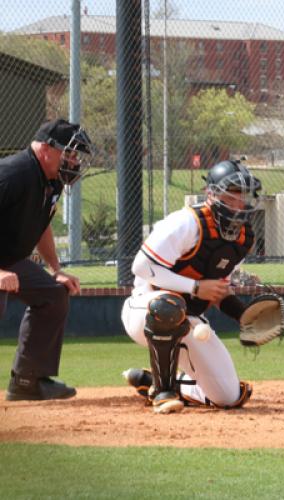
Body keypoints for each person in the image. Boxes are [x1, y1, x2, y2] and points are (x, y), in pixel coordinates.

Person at [121, 159, 262, 414]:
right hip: (145, 309)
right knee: (167, 306)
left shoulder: (242, 237)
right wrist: (195, 287)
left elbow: (218, 291)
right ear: (212, 194)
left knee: (228, 397)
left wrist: (243, 316)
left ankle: (156, 383)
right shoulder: (186, 223)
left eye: (243, 197)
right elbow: (141, 267)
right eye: (232, 196)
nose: (239, 204)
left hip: (189, 322)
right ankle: (164, 393)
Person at [0, 118, 93, 401]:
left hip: (10, 259)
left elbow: (41, 225)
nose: (74, 161)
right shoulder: (12, 174)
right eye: (70, 152)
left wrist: (56, 269)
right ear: (45, 149)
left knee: (53, 295)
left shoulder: (51, 180)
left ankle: (27, 381)